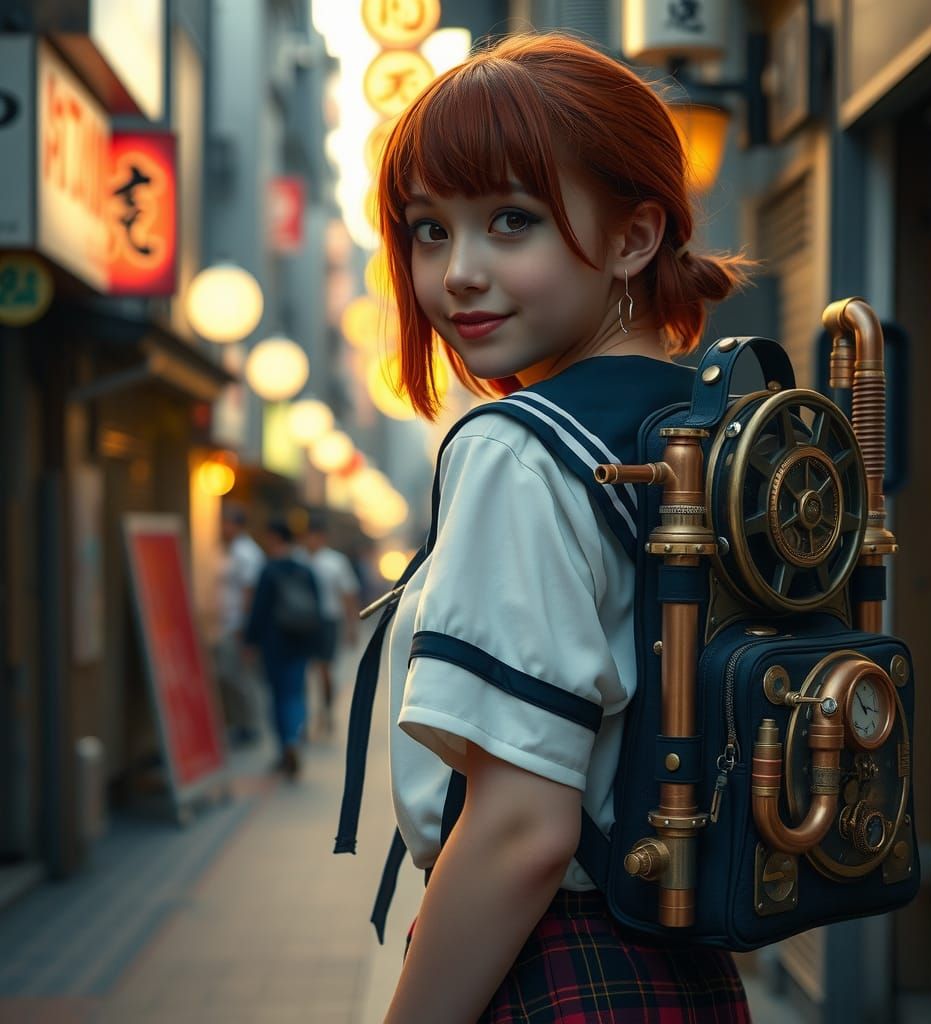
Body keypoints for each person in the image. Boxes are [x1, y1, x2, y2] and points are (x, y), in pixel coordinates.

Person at [371, 33, 752, 1023]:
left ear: (632, 237)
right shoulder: (714, 423)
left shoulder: (519, 448)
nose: (457, 272)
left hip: (553, 960)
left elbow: (522, 831)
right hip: (687, 968)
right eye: (427, 229)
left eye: (511, 220)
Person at [245, 518, 321, 780]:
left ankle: (284, 745)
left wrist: (250, 641)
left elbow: (258, 610)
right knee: (296, 693)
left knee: (277, 697)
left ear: (274, 538)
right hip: (300, 643)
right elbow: (317, 610)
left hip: (274, 644)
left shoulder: (269, 571)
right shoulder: (305, 570)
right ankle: (294, 738)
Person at [303, 514, 360, 734]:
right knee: (306, 670)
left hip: (328, 620)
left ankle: (326, 711)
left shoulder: (335, 562)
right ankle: (306, 716)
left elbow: (348, 594)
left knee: (325, 669)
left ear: (322, 537)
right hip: (304, 623)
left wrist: (351, 626)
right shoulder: (299, 559)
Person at [216, 504, 265, 745]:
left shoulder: (246, 553)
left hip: (237, 625)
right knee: (230, 675)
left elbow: (250, 591)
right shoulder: (232, 550)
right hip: (228, 623)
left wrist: (245, 626)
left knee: (237, 676)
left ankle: (249, 724)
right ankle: (240, 723)